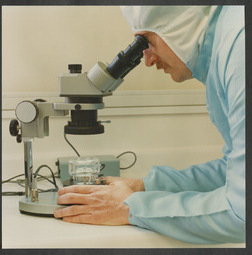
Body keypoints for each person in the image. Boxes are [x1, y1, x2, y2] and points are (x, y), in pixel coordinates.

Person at [54, 6, 245, 244]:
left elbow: (242, 212)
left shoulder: (240, 48)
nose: (148, 60)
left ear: (179, 28)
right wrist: (144, 186)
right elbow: (233, 171)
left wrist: (130, 207)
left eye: (148, 42)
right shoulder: (224, 46)